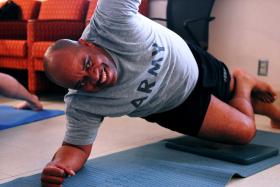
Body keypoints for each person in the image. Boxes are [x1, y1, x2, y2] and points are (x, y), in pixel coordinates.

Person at [41, 0, 280, 186]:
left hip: (193, 64)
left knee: (229, 94)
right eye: (82, 83)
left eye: (87, 64)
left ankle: (241, 83)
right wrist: (59, 165)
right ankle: (245, 84)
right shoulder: (82, 104)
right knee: (245, 133)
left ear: (88, 44)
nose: (93, 76)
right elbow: (77, 148)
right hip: (174, 107)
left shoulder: (110, 19)